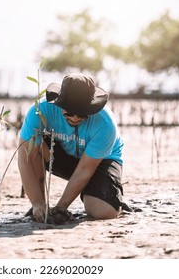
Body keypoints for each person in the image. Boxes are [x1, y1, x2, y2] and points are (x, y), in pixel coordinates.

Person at [18, 72, 127, 223]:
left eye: (82, 114)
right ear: (59, 103)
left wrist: (61, 207)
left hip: (100, 161)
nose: (75, 118)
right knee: (32, 146)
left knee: (103, 211)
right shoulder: (39, 111)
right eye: (69, 112)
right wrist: (37, 203)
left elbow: (85, 169)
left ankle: (103, 192)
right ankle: (41, 205)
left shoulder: (105, 124)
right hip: (62, 156)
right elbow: (25, 158)